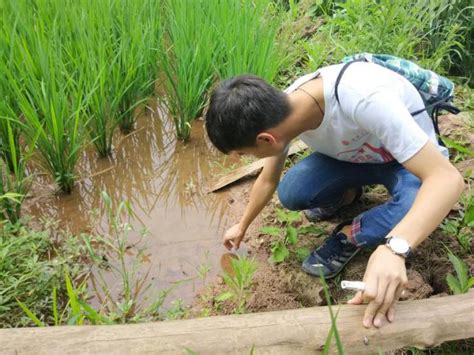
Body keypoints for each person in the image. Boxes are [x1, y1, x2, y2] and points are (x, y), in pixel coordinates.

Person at [204, 61, 465, 328]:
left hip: (409, 160)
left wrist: (395, 248)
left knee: (416, 206)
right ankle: (347, 195)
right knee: (293, 191)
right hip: (356, 158)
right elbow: (268, 179)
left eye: (244, 154)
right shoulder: (282, 111)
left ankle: (349, 235)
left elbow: (447, 179)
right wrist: (242, 224)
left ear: (266, 140)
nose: (246, 158)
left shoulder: (365, 99)